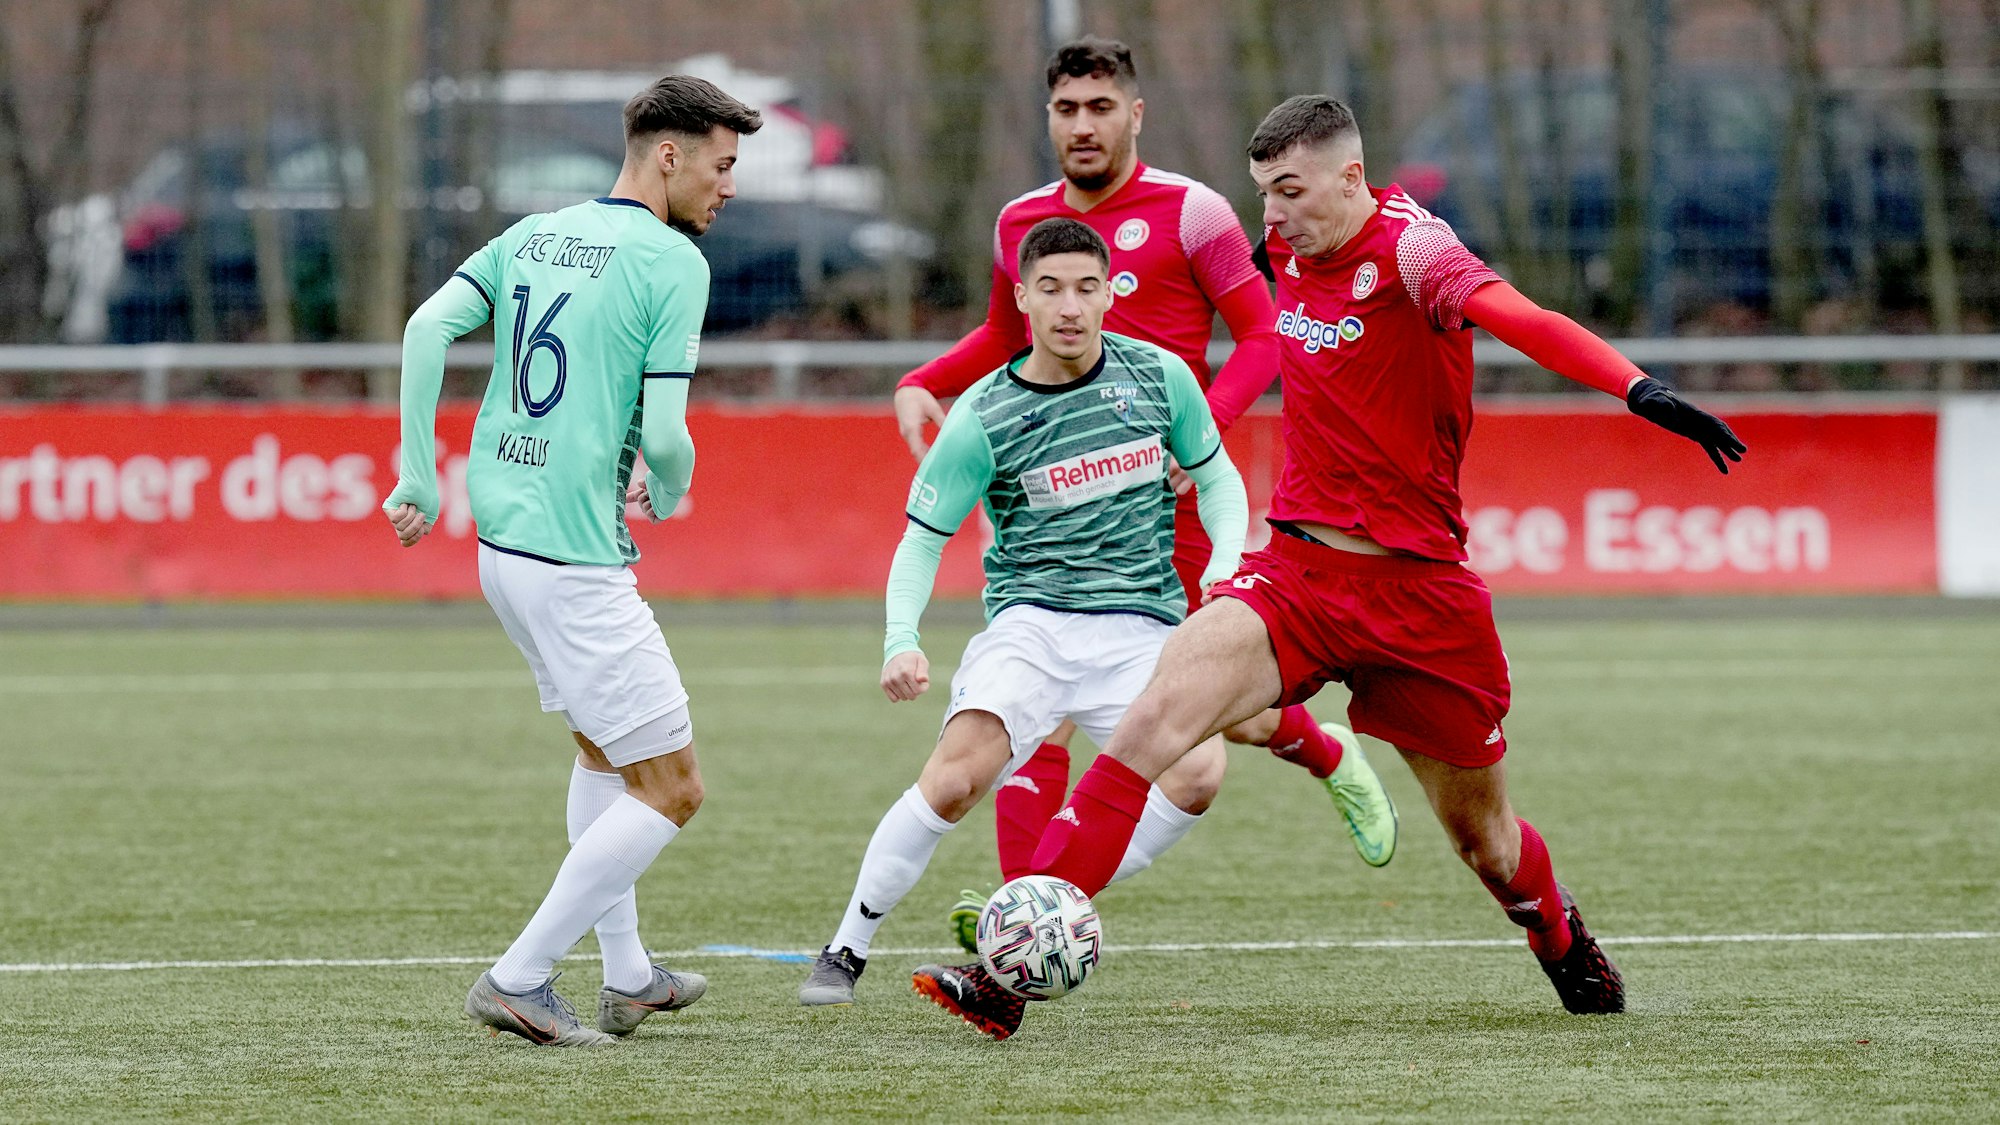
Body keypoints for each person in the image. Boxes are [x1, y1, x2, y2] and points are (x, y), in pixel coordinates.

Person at [916, 95, 1748, 1040]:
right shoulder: (1285, 252)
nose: (1270, 217)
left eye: (1290, 192)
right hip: (1298, 575)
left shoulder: (1414, 253)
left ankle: (1559, 936)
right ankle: (1004, 978)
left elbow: (1523, 316)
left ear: (1351, 178)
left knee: (1486, 840)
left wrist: (1639, 390)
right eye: (1263, 192)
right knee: (1151, 719)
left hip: (1421, 596)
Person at [894, 38, 1398, 947]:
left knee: (1214, 714)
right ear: (1048, 117)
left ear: (1135, 114)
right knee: (1036, 712)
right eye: (1065, 109)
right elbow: (1002, 335)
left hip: (1168, 505)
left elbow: (1262, 338)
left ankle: (1326, 751)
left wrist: (1193, 422)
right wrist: (924, 377)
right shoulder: (1020, 222)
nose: (1082, 125)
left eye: (1100, 107)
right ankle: (1029, 912)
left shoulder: (1193, 212)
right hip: (1052, 502)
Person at [380, 75, 763, 1047]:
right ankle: (520, 974)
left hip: (503, 544)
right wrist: (669, 489)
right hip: (572, 559)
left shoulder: (535, 234)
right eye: (720, 166)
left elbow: (427, 328)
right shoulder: (671, 261)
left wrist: (420, 477)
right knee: (674, 788)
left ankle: (628, 976)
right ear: (667, 156)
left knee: (604, 754)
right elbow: (669, 437)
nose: (727, 188)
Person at [797, 218, 1249, 1024]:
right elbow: (920, 543)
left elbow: (1218, 480)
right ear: (1023, 298)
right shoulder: (985, 414)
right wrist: (901, 639)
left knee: (1199, 773)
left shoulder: (1160, 377)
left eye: (1086, 287)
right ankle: (846, 945)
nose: (1070, 306)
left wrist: (1221, 561)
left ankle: (1027, 915)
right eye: (1050, 289)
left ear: (1111, 293)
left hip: (1143, 626)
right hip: (1032, 627)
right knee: (957, 775)